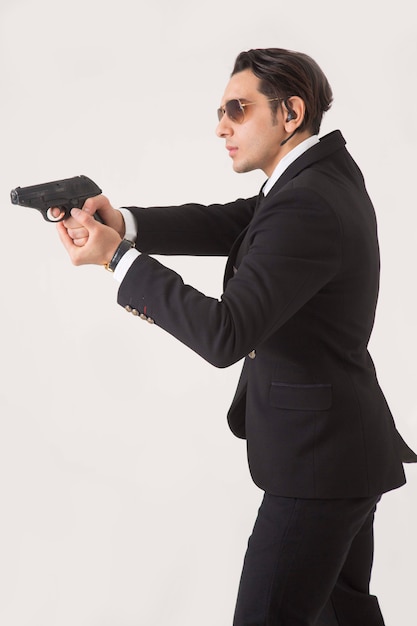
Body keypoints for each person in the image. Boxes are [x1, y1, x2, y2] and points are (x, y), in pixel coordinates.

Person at [56, 48, 416, 625]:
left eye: (238, 109)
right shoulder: (316, 177)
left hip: (317, 464)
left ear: (290, 112)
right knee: (342, 616)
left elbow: (225, 335)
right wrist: (122, 221)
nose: (221, 126)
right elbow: (240, 222)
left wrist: (117, 261)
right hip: (341, 451)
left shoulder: (305, 201)